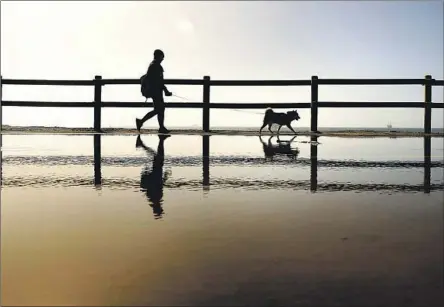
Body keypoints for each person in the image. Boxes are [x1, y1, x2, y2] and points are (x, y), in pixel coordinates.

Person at [136, 49, 172, 133]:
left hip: (154, 91)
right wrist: (166, 90)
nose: (163, 59)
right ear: (159, 56)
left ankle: (160, 127)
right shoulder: (156, 66)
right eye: (162, 57)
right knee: (159, 109)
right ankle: (141, 122)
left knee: (159, 109)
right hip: (156, 92)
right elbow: (160, 81)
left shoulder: (152, 65)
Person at [136, 134, 171, 219]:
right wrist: (165, 177)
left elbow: (158, 185)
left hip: (156, 172)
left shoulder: (154, 198)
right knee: (157, 155)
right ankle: (159, 140)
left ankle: (159, 140)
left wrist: (164, 177)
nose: (162, 207)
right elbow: (159, 185)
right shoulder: (155, 198)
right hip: (156, 172)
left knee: (157, 156)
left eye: (160, 209)